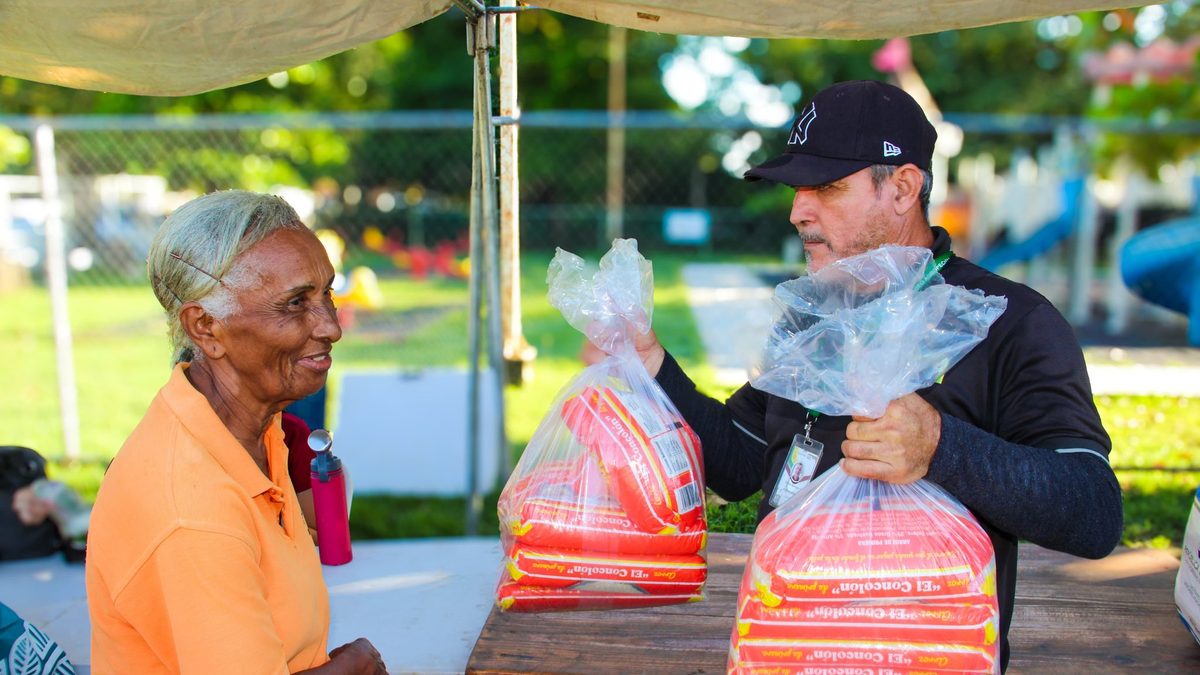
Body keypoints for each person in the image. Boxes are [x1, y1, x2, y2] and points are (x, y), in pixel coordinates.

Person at [602, 80, 1123, 671]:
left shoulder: (1011, 322)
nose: (799, 209)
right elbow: (742, 460)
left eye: (826, 187)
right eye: (798, 189)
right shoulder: (811, 314)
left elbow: (1094, 512)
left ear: (903, 187)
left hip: (931, 656)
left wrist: (942, 448)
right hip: (786, 650)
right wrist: (651, 366)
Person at [85, 190, 386, 674]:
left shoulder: (256, 433)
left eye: (326, 293)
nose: (331, 326)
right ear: (205, 327)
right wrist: (350, 668)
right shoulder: (191, 509)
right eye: (295, 303)